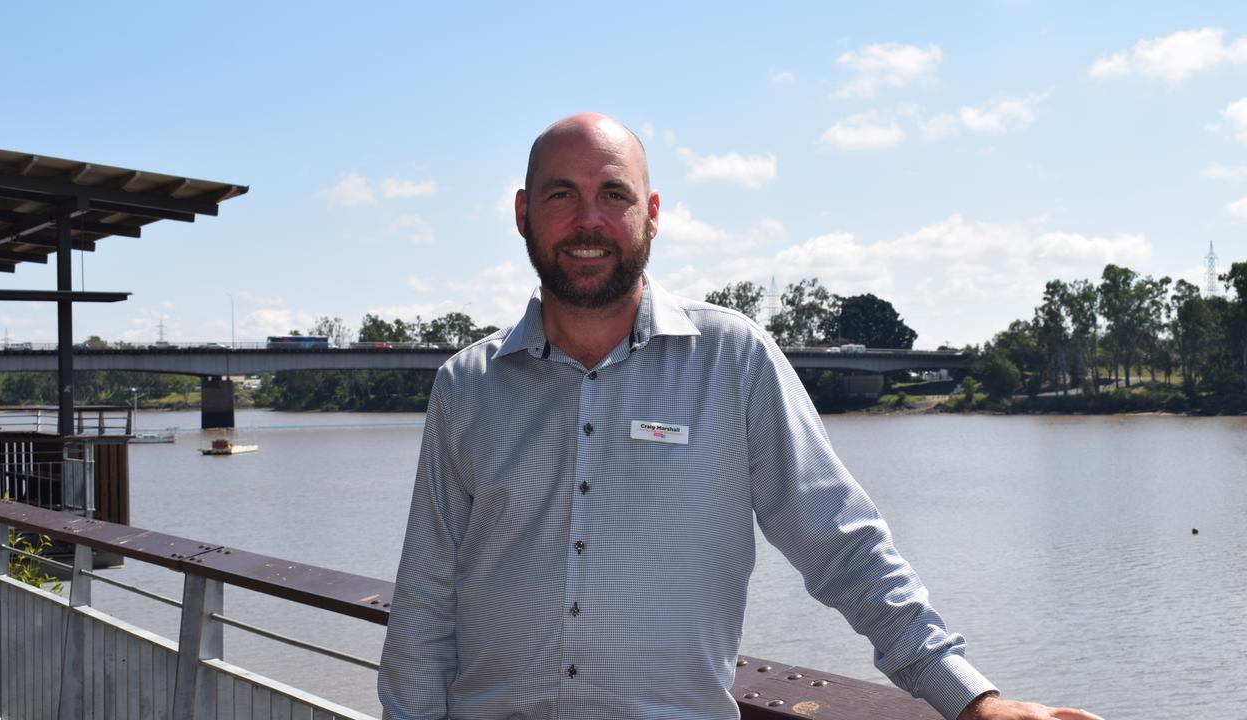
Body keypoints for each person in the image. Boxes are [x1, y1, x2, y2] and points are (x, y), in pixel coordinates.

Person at [378, 113, 1102, 720]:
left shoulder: (733, 360)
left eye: (614, 195)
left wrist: (971, 698)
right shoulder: (466, 386)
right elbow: (425, 600)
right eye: (561, 195)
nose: (589, 220)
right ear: (522, 213)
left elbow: (841, 543)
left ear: (651, 215)